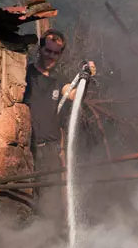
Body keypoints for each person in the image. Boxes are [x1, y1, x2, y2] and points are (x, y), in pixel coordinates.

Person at [23, 29, 94, 218]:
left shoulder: (58, 80)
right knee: (24, 199)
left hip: (50, 150)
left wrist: (87, 78)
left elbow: (73, 95)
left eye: (56, 53)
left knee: (51, 201)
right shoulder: (25, 74)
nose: (51, 56)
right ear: (40, 49)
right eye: (48, 50)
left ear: (60, 54)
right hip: (27, 148)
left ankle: (50, 240)